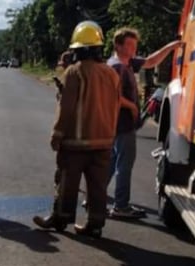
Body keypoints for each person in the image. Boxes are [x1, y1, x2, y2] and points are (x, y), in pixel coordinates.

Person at [33, 21, 134, 238]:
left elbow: (66, 108)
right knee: (97, 187)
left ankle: (60, 218)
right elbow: (115, 106)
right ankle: (95, 224)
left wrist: (56, 135)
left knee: (66, 182)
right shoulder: (111, 74)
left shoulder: (74, 73)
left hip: (75, 144)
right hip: (104, 143)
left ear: (78, 50)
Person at [106, 27, 182, 218]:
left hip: (120, 124)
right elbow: (112, 96)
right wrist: (132, 107)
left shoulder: (128, 62)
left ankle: (94, 196)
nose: (133, 49)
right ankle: (121, 206)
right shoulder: (116, 66)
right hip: (122, 124)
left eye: (135, 45)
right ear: (118, 45)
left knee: (113, 161)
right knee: (124, 164)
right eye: (130, 45)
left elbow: (150, 61)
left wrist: (171, 47)